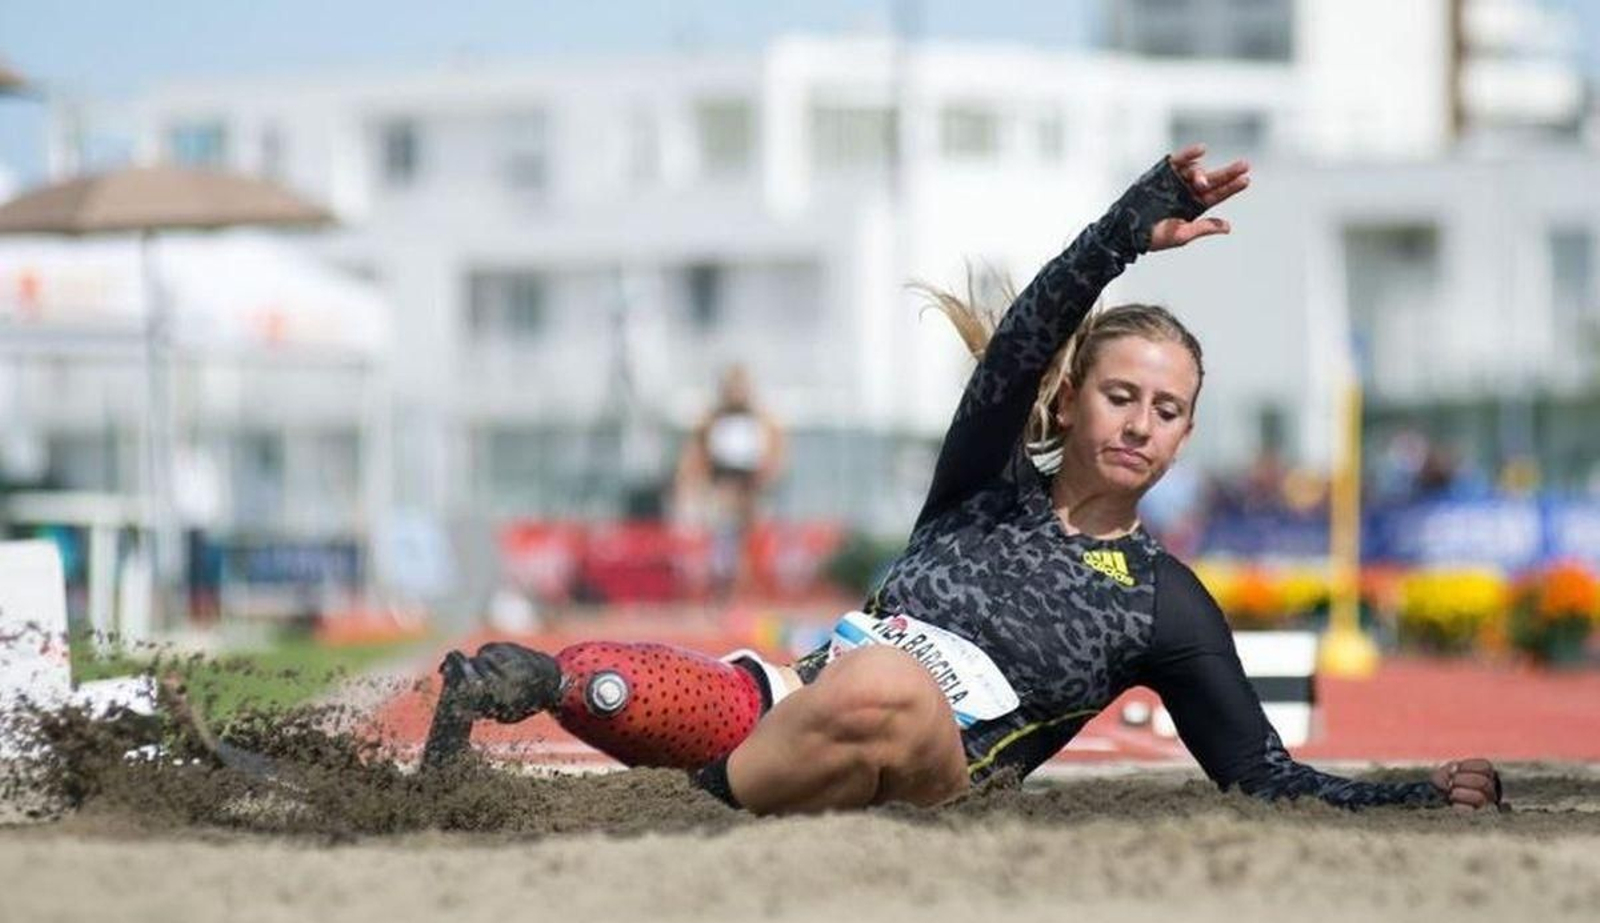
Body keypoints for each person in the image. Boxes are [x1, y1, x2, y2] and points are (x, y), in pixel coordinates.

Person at [423, 146, 1503, 814]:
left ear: (1184, 439)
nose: (1140, 421)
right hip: (798, 710)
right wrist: (1125, 231)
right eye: (1121, 393)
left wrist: (1410, 790)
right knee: (611, 682)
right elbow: (1021, 338)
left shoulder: (1165, 602)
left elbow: (1262, 773)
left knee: (884, 688)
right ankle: (492, 717)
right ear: (1074, 397)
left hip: (935, 769)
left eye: (1167, 411)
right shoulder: (982, 485)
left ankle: (738, 784)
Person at [672, 363, 787, 597]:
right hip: (721, 489)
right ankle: (720, 590)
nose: (737, 391)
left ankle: (748, 591)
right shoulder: (710, 420)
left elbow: (775, 456)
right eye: (732, 386)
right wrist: (694, 485)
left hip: (751, 490)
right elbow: (694, 456)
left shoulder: (763, 420)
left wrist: (763, 479)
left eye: (741, 386)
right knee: (722, 543)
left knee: (750, 544)